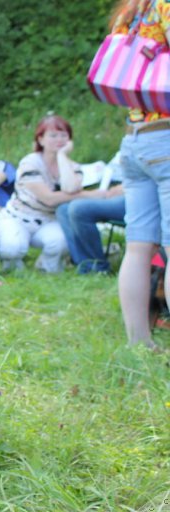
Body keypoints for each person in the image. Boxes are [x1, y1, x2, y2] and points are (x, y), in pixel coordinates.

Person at [113, 0, 170, 348]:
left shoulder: (131, 12)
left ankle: (139, 343)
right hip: (165, 136)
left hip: (133, 140)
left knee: (137, 248)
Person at [0, 115, 106, 273]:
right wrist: (88, 195)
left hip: (49, 220)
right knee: (12, 248)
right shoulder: (30, 163)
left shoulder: (73, 166)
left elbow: (71, 187)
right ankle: (9, 259)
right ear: (40, 139)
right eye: (53, 135)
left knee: (61, 243)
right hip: (18, 217)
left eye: (63, 135)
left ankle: (45, 267)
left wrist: (62, 156)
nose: (59, 140)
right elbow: (49, 199)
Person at [56, 154, 126, 275]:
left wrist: (125, 188)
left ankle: (97, 267)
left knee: (78, 208)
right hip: (115, 191)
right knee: (64, 209)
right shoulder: (133, 140)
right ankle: (85, 263)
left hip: (139, 199)